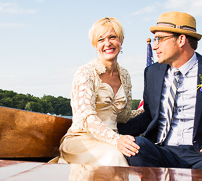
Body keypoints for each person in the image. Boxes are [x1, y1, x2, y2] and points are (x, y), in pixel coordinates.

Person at [119, 11, 202, 171]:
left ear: (181, 39)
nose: (155, 46)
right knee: (137, 146)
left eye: (160, 39)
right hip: (163, 151)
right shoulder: (152, 72)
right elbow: (149, 115)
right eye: (155, 40)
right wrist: (112, 132)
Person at [56, 17, 143, 166]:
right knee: (114, 157)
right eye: (101, 39)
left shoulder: (125, 76)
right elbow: (87, 117)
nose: (107, 43)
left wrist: (148, 111)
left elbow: (124, 117)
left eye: (112, 37)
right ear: (95, 45)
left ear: (121, 40)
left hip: (112, 140)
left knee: (138, 152)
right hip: (82, 139)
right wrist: (116, 140)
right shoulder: (86, 73)